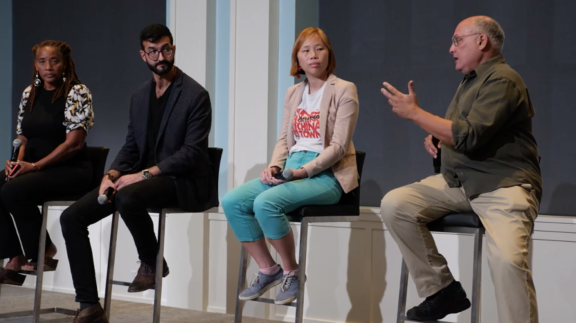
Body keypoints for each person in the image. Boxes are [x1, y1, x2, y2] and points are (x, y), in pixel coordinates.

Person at [379, 16, 541, 323]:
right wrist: (438, 139)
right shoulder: (471, 81)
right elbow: (459, 133)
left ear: (482, 41)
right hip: (459, 183)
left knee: (508, 262)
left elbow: (467, 135)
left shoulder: (503, 79)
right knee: (395, 204)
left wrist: (416, 114)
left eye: (457, 41)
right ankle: (442, 290)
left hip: (502, 186)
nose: (451, 49)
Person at [60, 24, 216, 323]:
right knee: (72, 217)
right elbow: (131, 145)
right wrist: (113, 173)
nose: (161, 56)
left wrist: (143, 175)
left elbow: (192, 152)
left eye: (166, 49)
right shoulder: (140, 96)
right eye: (154, 51)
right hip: (141, 179)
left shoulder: (195, 95)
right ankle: (89, 305)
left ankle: (151, 262)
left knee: (128, 196)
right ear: (143, 55)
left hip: (180, 181)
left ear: (174, 49)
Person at [222, 27, 359, 305]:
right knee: (232, 201)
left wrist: (301, 172)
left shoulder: (344, 89)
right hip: (291, 168)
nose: (313, 55)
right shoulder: (294, 92)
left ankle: (291, 271)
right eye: (306, 50)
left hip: (325, 175)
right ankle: (268, 269)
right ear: (297, 57)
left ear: (329, 53)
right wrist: (274, 166)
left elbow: (339, 147)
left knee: (265, 204)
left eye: (319, 48)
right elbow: (285, 138)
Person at [0, 40, 94, 286]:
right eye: (42, 61)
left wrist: (34, 166)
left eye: (54, 61)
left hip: (70, 170)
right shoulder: (30, 93)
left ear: (65, 64)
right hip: (33, 167)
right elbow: (22, 136)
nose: (48, 66)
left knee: (12, 189)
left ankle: (44, 250)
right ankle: (15, 254)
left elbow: (73, 143)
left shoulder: (77, 92)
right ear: (35, 65)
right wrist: (16, 164)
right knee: (3, 181)